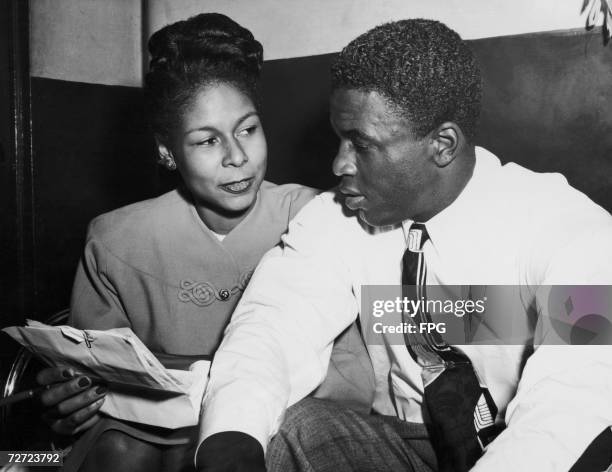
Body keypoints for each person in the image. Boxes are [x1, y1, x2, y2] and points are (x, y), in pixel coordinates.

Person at [195, 19, 612, 472]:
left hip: (518, 446)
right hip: (410, 444)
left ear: (442, 144)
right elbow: (273, 323)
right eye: (339, 139)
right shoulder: (339, 217)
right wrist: (230, 439)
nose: (338, 164)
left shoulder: (572, 231)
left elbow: (576, 402)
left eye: (362, 145)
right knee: (285, 432)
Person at [35, 13, 374, 472]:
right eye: (207, 141)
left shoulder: (316, 216)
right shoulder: (115, 240)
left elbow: (352, 379)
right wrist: (69, 403)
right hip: (139, 439)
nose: (237, 157)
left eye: (248, 129)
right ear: (166, 151)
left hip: (277, 426)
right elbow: (92, 373)